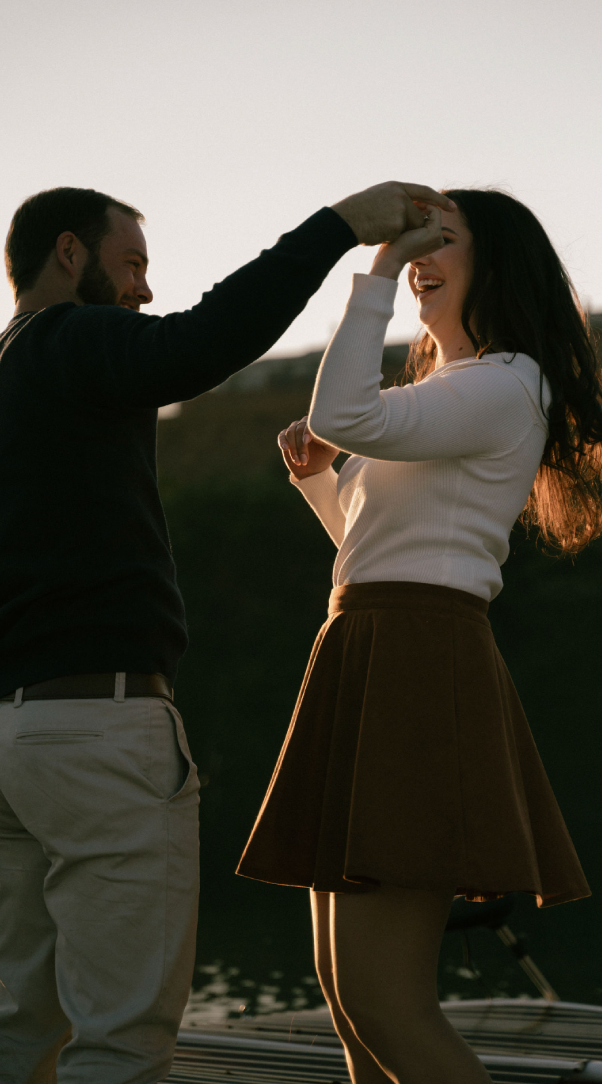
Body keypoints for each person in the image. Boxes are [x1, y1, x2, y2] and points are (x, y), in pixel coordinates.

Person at [0, 180, 457, 1084]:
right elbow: (202, 341)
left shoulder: (11, 372)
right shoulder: (72, 339)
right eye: (130, 264)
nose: (142, 290)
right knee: (122, 1041)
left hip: (15, 745)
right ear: (68, 252)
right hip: (98, 731)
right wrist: (338, 228)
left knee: (21, 1030)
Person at [237, 189, 600, 1084]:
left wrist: (374, 270)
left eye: (440, 237)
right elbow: (374, 548)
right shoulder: (451, 389)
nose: (416, 255)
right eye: (412, 239)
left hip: (417, 659)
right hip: (369, 638)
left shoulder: (505, 382)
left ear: (496, 262)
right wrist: (318, 484)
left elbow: (344, 417)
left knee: (383, 1001)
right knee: (349, 1000)